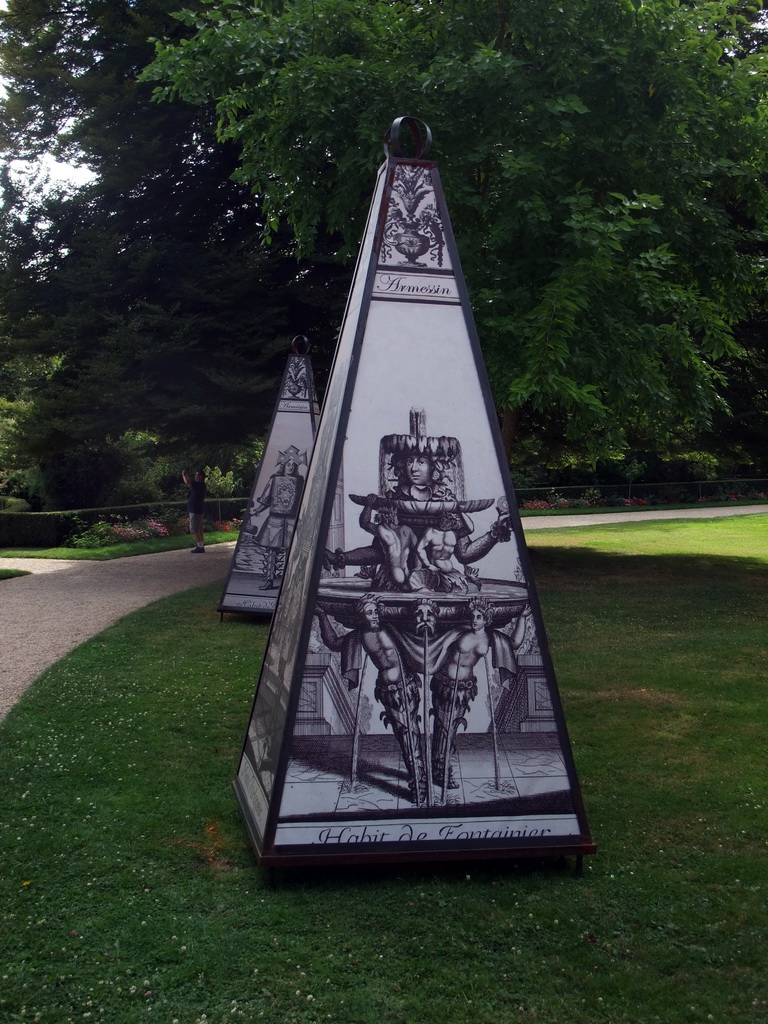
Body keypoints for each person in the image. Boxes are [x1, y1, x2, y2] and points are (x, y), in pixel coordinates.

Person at [315, 597, 426, 804]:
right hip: (390, 691)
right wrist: (322, 615)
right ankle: (418, 782)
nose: (374, 616)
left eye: (375, 612)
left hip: (409, 685)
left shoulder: (393, 628)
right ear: (361, 616)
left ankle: (420, 778)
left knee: (412, 730)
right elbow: (333, 642)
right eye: (369, 613)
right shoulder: (358, 637)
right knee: (405, 733)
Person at [182, 469, 207, 553]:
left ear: (200, 477)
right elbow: (189, 483)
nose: (195, 476)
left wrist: (184, 475)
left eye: (196, 475)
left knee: (195, 529)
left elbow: (188, 482)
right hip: (199, 509)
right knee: (199, 528)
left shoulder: (199, 485)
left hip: (195, 509)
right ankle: (201, 545)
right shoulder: (202, 485)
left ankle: (199, 546)